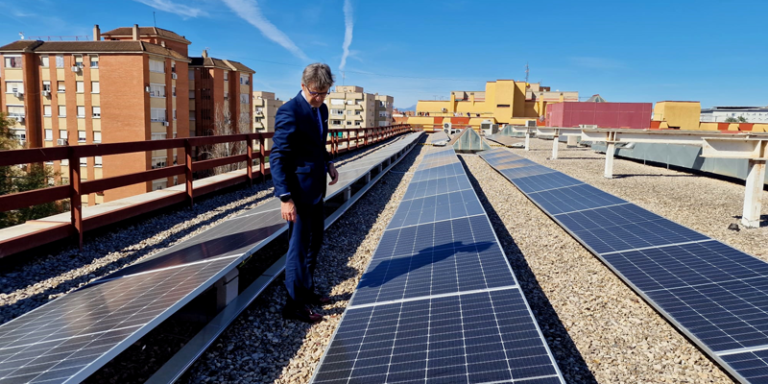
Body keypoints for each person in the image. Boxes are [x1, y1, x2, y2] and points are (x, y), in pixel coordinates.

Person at [270, 63, 339, 323]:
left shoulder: (320, 110)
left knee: (315, 242)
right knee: (297, 249)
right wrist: (285, 197)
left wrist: (329, 162)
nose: (320, 98)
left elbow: (318, 144)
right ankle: (294, 305)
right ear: (303, 86)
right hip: (297, 193)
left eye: (324, 93)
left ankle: (307, 291)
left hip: (316, 188)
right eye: (315, 93)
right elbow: (278, 157)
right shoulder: (290, 111)